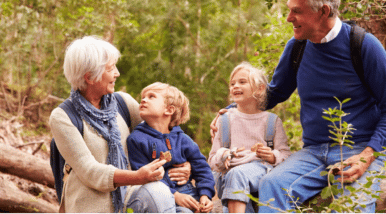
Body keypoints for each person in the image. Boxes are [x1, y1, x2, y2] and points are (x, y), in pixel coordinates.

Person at [212, 0, 386, 212]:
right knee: (272, 184)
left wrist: (367, 155)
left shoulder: (363, 45)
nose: (288, 18)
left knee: (350, 207)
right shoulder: (297, 47)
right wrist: (231, 111)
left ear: (323, 11)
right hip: (313, 152)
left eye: (296, 11)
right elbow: (274, 93)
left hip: (359, 147)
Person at [49, 36, 191, 213]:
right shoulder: (63, 116)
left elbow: (163, 131)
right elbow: (90, 171)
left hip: (129, 197)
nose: (117, 73)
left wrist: (187, 162)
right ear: (90, 77)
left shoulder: (122, 102)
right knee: (160, 193)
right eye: (110, 69)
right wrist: (137, 177)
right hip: (92, 206)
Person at [208, 62, 291, 213]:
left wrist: (272, 156)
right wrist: (223, 155)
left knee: (237, 174)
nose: (235, 86)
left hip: (261, 170)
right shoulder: (224, 120)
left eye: (242, 82)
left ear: (259, 88)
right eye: (232, 83)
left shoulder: (271, 121)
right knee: (234, 177)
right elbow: (213, 160)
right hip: (228, 179)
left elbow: (285, 155)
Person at [127, 82, 216, 213]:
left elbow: (202, 168)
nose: (143, 100)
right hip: (159, 198)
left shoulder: (183, 139)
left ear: (169, 110)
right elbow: (143, 176)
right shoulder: (136, 139)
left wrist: (205, 195)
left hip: (190, 193)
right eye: (143, 97)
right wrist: (175, 195)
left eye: (151, 96)